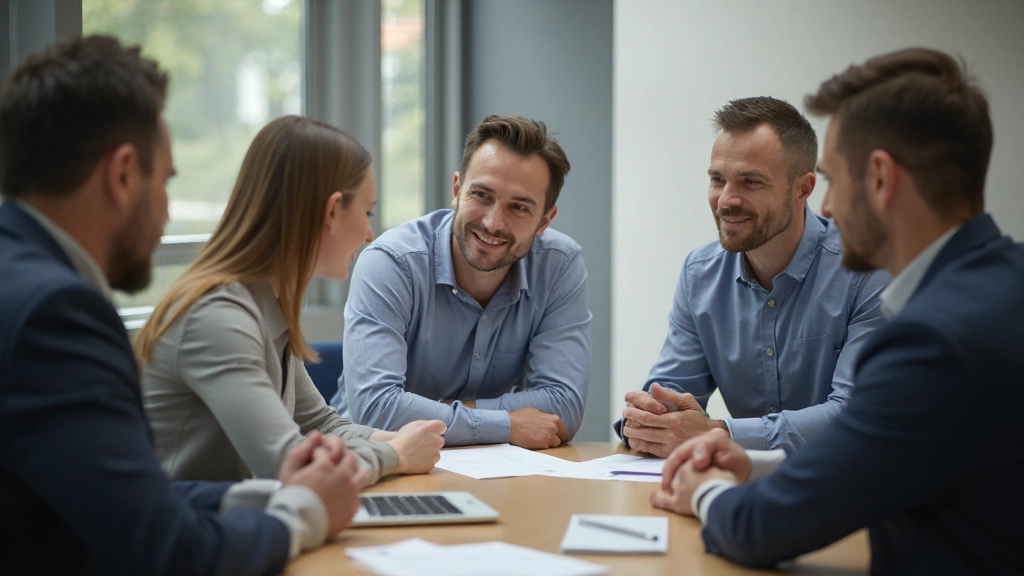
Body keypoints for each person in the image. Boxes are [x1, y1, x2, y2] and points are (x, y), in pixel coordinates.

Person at [0, 35, 365, 575]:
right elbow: (170, 552)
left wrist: (255, 499)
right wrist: (301, 512)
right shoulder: (56, 314)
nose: (168, 213)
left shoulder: (21, 281)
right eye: (166, 181)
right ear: (123, 173)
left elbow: (120, 500)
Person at [651, 48, 1024, 574]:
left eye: (831, 179)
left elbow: (766, 530)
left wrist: (706, 491)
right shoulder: (1002, 288)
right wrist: (754, 464)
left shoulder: (936, 339)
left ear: (879, 178)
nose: (826, 208)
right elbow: (886, 461)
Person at [134, 116, 446, 485]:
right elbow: (290, 467)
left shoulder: (264, 301)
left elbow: (318, 423)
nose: (368, 234)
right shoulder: (217, 315)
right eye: (367, 212)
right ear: (331, 211)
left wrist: (393, 440)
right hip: (189, 535)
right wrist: (394, 455)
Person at [616, 97, 888, 455]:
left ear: (803, 189)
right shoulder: (700, 274)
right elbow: (672, 388)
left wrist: (719, 433)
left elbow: (855, 413)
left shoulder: (867, 269)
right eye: (717, 179)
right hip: (745, 489)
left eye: (750, 182)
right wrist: (650, 419)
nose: (726, 200)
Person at [331, 115, 591, 449]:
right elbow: (376, 409)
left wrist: (444, 416)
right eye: (482, 195)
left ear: (544, 221)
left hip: (490, 468)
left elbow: (564, 405)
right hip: (369, 462)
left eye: (519, 207)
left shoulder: (559, 265)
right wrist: (505, 424)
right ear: (457, 191)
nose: (493, 222)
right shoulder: (392, 262)